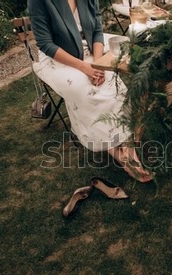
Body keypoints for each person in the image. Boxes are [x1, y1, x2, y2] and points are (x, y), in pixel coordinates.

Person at [28, 0, 153, 183]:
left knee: (114, 85)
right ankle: (116, 151)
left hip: (88, 51)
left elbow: (96, 31)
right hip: (56, 59)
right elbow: (46, 44)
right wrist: (85, 68)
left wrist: (97, 64)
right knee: (85, 90)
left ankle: (127, 148)